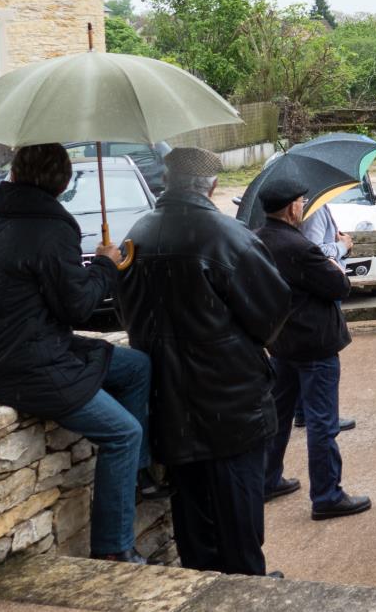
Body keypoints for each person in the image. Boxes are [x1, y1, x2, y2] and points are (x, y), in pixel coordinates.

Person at [0, 144, 151, 563]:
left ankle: (138, 477)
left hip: (3, 355)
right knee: (123, 433)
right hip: (31, 365)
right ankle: (115, 550)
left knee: (137, 366)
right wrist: (106, 265)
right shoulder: (53, 227)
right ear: (62, 183)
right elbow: (78, 307)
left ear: (14, 174)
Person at [118, 147, 291, 577]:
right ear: (212, 184)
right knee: (239, 516)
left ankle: (203, 589)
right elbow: (271, 312)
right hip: (229, 398)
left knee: (192, 512)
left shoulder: (136, 233)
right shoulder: (226, 235)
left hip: (169, 398)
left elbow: (126, 311)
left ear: (166, 180)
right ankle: (247, 591)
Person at [255, 178, 371, 520]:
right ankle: (327, 495)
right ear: (292, 207)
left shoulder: (259, 240)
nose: (304, 206)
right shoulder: (299, 247)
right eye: (303, 201)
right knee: (322, 422)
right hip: (314, 344)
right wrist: (338, 259)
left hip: (281, 341)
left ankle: (267, 479)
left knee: (278, 415)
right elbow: (339, 285)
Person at [294, 201, 356, 433]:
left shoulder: (311, 206)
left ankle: (303, 412)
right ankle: (321, 416)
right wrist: (342, 246)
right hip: (322, 285)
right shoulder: (315, 208)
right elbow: (314, 251)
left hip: (307, 289)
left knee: (301, 354)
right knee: (322, 353)